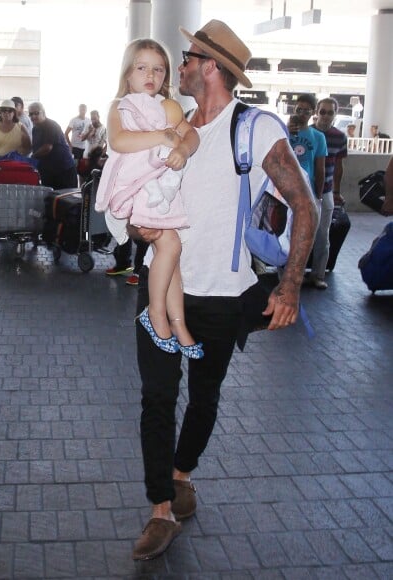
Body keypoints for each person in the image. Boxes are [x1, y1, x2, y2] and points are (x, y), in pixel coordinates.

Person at [129, 20, 318, 561]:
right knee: (157, 395)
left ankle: (181, 473)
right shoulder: (173, 124)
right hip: (161, 288)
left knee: (204, 396)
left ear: (210, 66)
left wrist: (290, 288)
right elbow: (146, 193)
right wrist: (141, 225)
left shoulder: (254, 128)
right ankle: (160, 508)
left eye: (187, 57)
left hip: (222, 294)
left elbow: (304, 204)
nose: (178, 66)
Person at [96, 38, 201, 357]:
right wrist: (164, 136)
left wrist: (182, 148)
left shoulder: (168, 107)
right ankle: (156, 313)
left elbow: (191, 134)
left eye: (158, 68)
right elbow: (119, 140)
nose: (150, 74)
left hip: (157, 189)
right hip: (133, 188)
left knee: (170, 256)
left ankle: (176, 321)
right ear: (127, 74)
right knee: (170, 246)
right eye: (141, 67)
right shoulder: (120, 106)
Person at [308, 97, 347, 289]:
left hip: (326, 191)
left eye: (329, 112)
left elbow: (339, 166)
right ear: (317, 111)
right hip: (305, 191)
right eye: (322, 111)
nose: (325, 116)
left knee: (323, 235)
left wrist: (337, 191)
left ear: (335, 114)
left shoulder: (339, 137)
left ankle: (318, 274)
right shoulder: (306, 133)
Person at [28, 102, 78, 189]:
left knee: (66, 199)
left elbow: (47, 147)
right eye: (31, 114)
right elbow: (35, 147)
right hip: (48, 171)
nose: (33, 117)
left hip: (63, 169)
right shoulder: (35, 129)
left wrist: (33, 156)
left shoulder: (50, 125)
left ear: (43, 112)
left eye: (36, 113)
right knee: (49, 198)